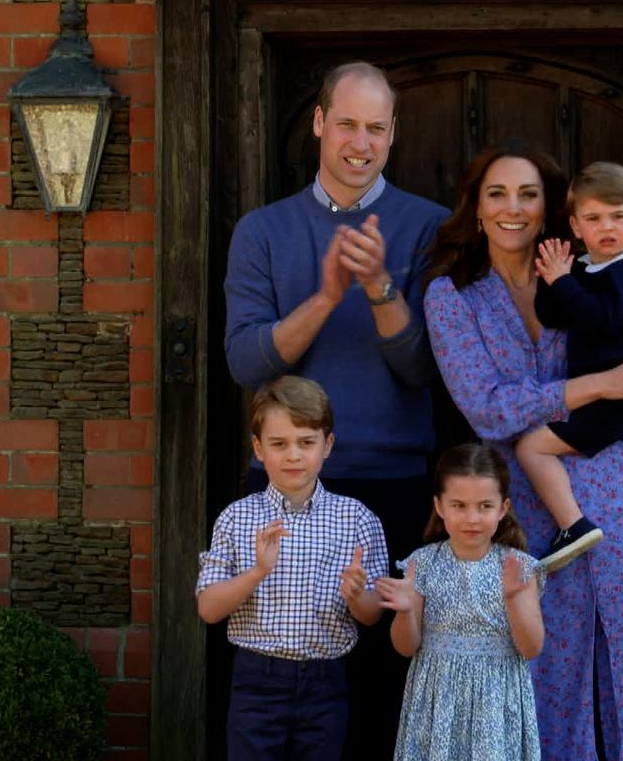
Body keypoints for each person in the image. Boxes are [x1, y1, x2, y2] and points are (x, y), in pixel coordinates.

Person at [423, 141, 623, 759]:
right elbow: (486, 408)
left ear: (550, 211)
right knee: (540, 673)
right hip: (522, 512)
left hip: (617, 499)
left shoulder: (595, 275)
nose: (512, 208)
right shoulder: (452, 296)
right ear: (477, 207)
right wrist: (603, 384)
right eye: (497, 194)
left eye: (528, 195)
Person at [222, 61, 449, 757]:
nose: (360, 141)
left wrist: (379, 285)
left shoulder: (429, 227)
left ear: (393, 135)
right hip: (288, 489)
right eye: (346, 123)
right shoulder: (262, 230)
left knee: (385, 686)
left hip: (398, 485)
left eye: (375, 128)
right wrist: (324, 296)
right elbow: (247, 364)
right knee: (290, 685)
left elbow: (423, 370)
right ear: (319, 123)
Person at [195, 376, 388, 760]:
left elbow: (371, 617)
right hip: (256, 681)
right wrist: (256, 572)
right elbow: (208, 609)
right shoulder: (237, 518)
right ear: (258, 448)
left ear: (327, 445)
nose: (294, 455)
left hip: (325, 681)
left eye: (306, 442)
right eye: (279, 444)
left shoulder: (357, 520)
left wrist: (356, 596)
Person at [517, 161, 623, 571]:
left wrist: (565, 281)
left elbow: (601, 320)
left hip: (611, 402)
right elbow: (555, 316)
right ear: (577, 227)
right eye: (594, 219)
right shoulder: (588, 268)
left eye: (618, 216)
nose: (607, 227)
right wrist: (552, 278)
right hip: (593, 396)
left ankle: (573, 526)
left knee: (531, 447)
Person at [377, 443, 545, 761]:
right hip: (437, 700)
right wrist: (405, 612)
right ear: (439, 506)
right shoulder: (422, 564)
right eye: (459, 505)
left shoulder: (519, 567)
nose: (472, 518)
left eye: (484, 506)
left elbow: (532, 647)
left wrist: (513, 599)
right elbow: (405, 646)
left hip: (495, 702)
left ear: (503, 507)